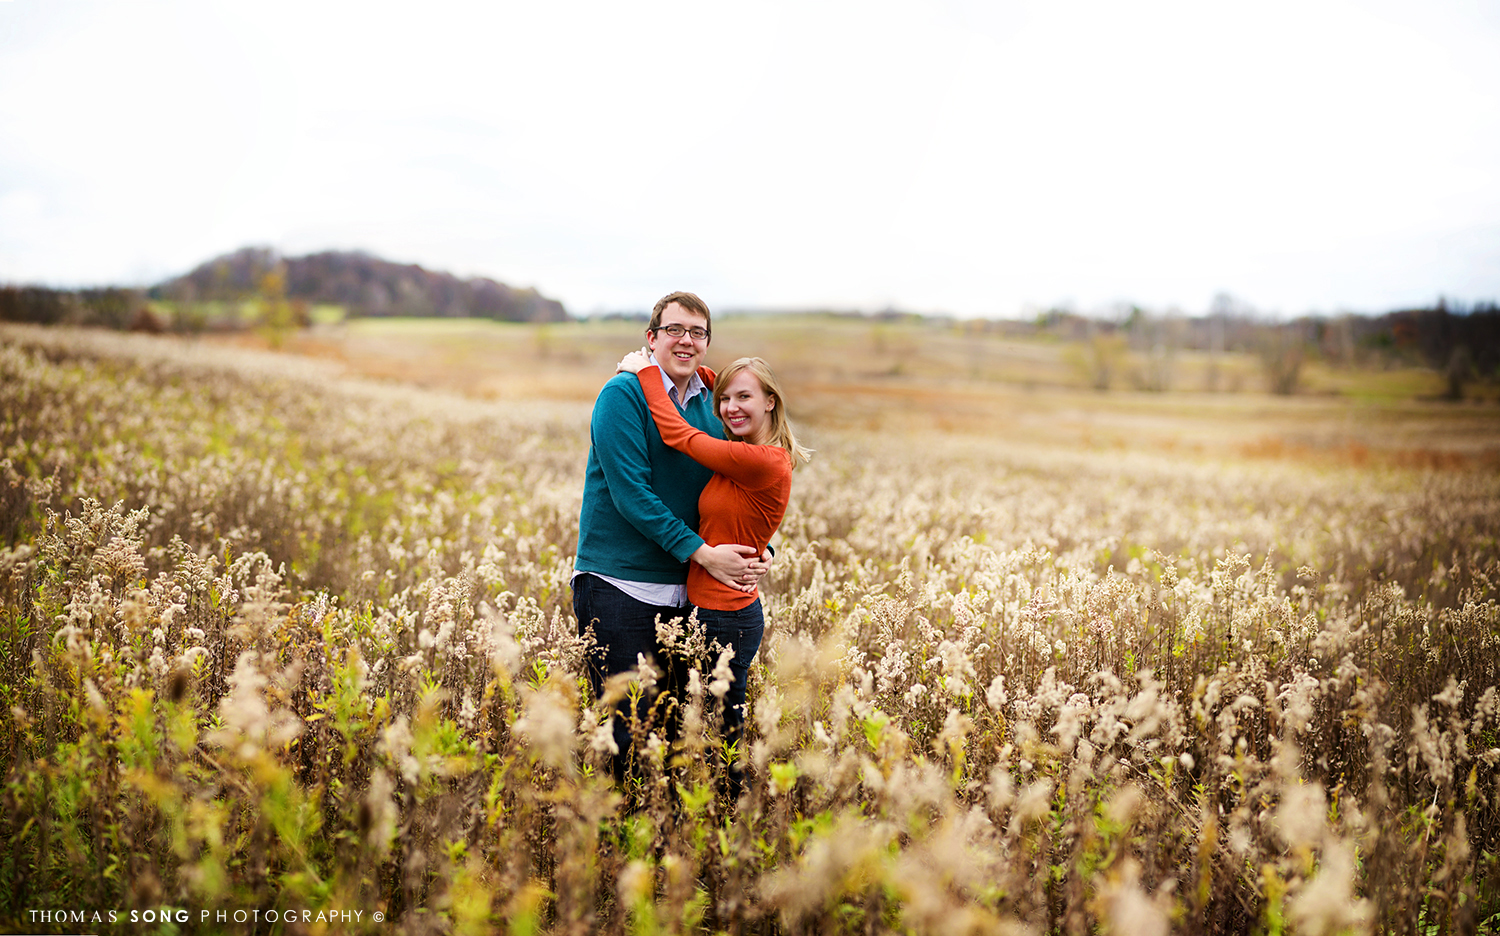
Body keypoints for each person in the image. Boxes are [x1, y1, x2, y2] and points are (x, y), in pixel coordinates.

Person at [572, 291, 770, 786]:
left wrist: (759, 548)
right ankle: (619, 847)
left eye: (697, 333)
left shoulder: (713, 397)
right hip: (621, 585)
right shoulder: (622, 395)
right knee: (626, 734)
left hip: (691, 589)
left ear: (706, 343)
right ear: (651, 338)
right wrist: (704, 553)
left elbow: (742, 482)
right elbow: (631, 496)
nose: (686, 341)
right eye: (674, 330)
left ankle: (670, 847)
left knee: (675, 730)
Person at [615, 348, 811, 798]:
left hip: (727, 616)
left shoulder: (762, 459)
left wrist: (646, 371)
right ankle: (701, 810)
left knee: (722, 729)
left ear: (770, 403)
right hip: (709, 608)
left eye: (745, 396)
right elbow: (740, 523)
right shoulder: (744, 453)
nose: (729, 407)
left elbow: (680, 435)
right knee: (698, 721)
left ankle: (729, 819)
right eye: (723, 398)